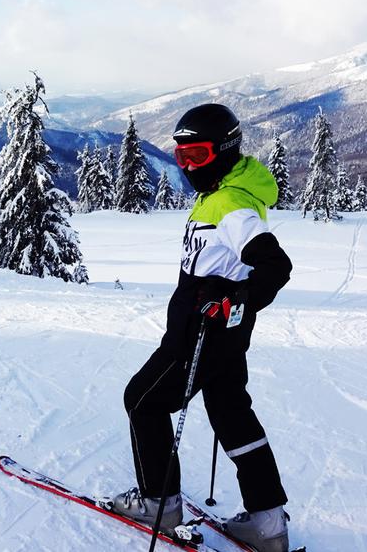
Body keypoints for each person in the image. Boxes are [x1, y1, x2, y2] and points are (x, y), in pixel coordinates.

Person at [109, 103, 294, 552]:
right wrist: (236, 300)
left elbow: (275, 264)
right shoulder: (225, 192)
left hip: (199, 335)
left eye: (199, 155)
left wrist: (237, 297)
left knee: (143, 401)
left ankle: (159, 504)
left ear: (226, 151)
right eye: (181, 157)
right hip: (227, 335)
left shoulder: (230, 204)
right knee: (232, 415)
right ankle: (268, 524)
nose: (189, 166)